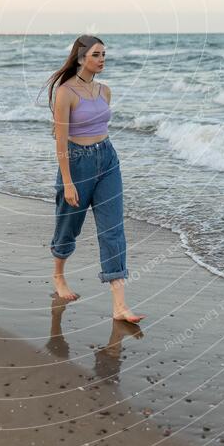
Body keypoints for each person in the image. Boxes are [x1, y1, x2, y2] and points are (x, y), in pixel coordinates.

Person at [44, 34, 145, 323]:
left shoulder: (105, 91)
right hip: (77, 163)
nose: (102, 60)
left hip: (108, 160)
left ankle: (119, 306)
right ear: (80, 57)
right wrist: (68, 181)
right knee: (68, 227)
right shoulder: (66, 92)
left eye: (104, 55)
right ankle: (59, 276)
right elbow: (60, 141)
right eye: (96, 55)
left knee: (113, 230)